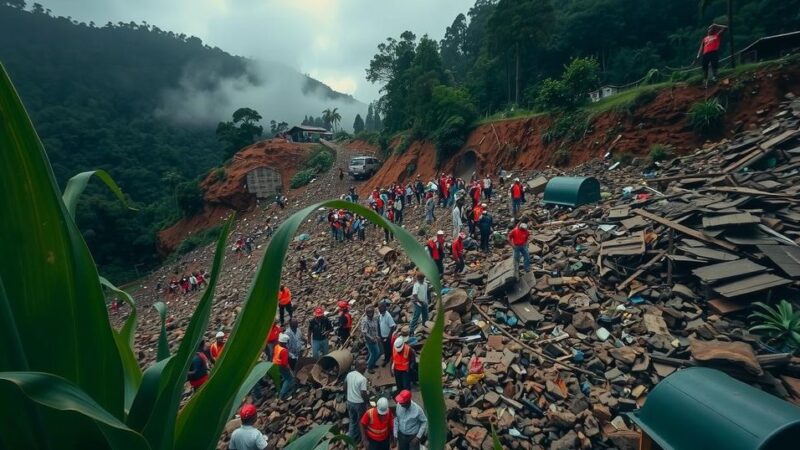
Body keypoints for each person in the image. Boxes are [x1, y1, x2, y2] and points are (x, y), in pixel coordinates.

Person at [344, 359, 370, 442]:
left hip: (350, 402)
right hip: (359, 404)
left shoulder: (349, 374)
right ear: (358, 366)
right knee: (361, 421)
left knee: (352, 421)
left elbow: (345, 387)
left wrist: (348, 396)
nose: (366, 367)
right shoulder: (362, 379)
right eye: (364, 365)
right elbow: (363, 393)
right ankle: (361, 439)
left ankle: (351, 440)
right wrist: (368, 403)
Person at [360, 306, 382, 372]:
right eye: (368, 313)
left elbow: (378, 316)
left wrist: (377, 336)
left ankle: (372, 363)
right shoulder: (365, 321)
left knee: (374, 353)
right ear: (366, 313)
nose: (370, 314)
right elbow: (365, 333)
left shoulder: (374, 317)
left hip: (375, 338)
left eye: (371, 312)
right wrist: (372, 338)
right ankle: (369, 367)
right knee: (375, 353)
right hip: (369, 340)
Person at [273, 333, 295, 399]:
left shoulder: (276, 346)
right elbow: (285, 363)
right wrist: (289, 368)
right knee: (288, 379)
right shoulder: (284, 350)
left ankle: (283, 390)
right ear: (284, 343)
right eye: (286, 343)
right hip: (282, 366)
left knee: (284, 377)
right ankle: (282, 394)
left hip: (275, 364)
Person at [378, 301, 397, 367]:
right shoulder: (380, 314)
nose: (379, 309)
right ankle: (388, 357)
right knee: (385, 348)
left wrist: (389, 337)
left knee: (387, 348)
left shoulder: (388, 316)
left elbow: (392, 326)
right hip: (383, 335)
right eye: (379, 308)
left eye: (380, 308)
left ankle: (387, 359)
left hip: (387, 336)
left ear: (384, 308)